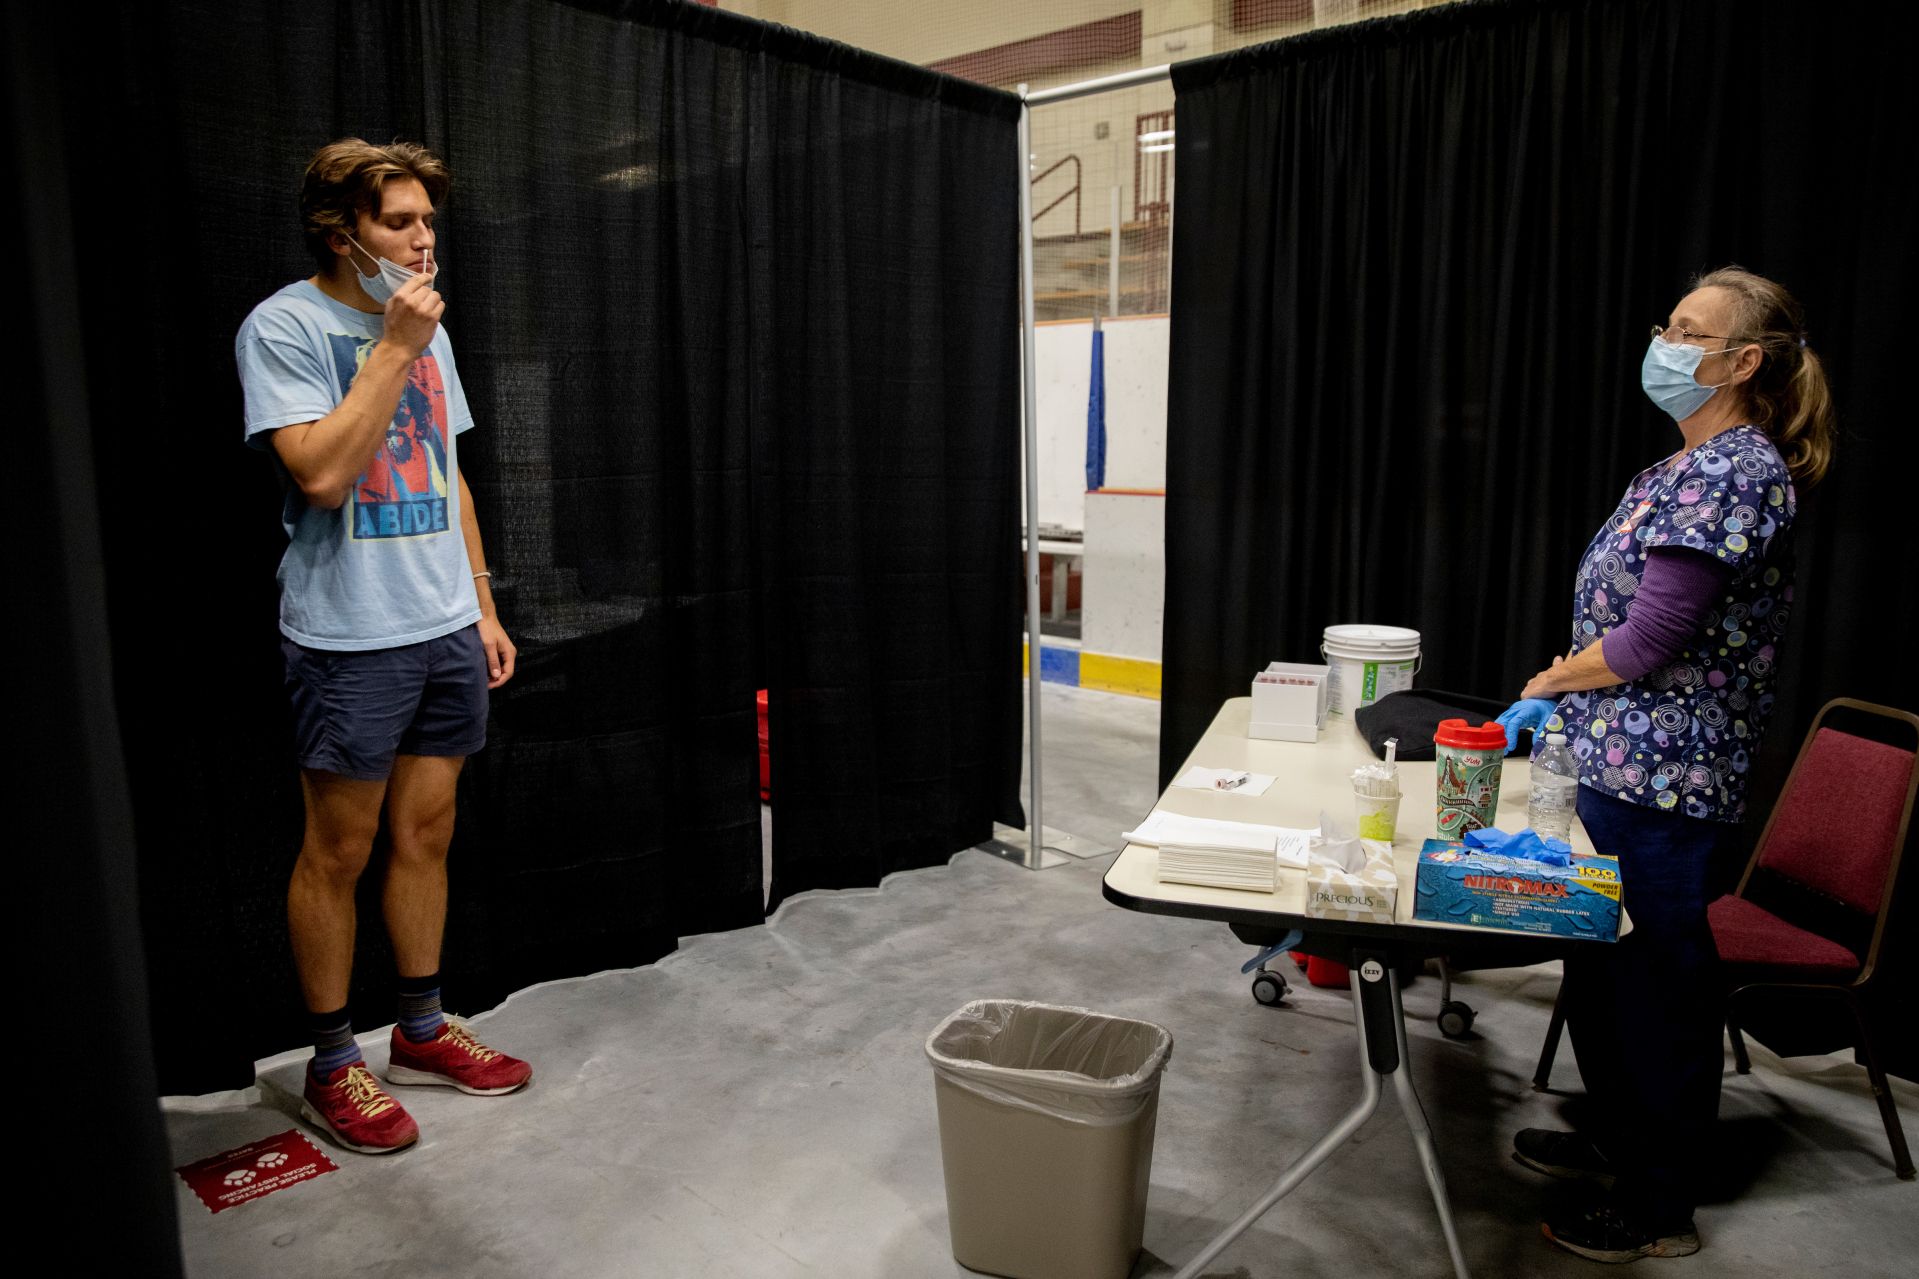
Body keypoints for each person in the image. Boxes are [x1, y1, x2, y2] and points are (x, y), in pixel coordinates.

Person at [1493, 266, 1836, 1261]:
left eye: (1689, 331)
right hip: (1613, 766)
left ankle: (1658, 1200)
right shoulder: (1677, 467)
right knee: (1601, 964)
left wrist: (1552, 680)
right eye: (1667, 323)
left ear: (1742, 361)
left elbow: (1648, 643)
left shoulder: (1733, 473)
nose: (1665, 343)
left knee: (1654, 982)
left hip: (1664, 782)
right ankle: (1616, 1136)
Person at [236, 138, 531, 1155]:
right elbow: (317, 474)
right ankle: (330, 1063)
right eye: (398, 223)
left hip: (441, 623)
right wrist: (394, 346)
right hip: (348, 635)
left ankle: (416, 1029)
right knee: (338, 850)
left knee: (429, 833)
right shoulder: (285, 325)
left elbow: (447, 473)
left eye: (427, 222)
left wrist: (481, 604)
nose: (421, 241)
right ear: (341, 234)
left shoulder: (430, 331)